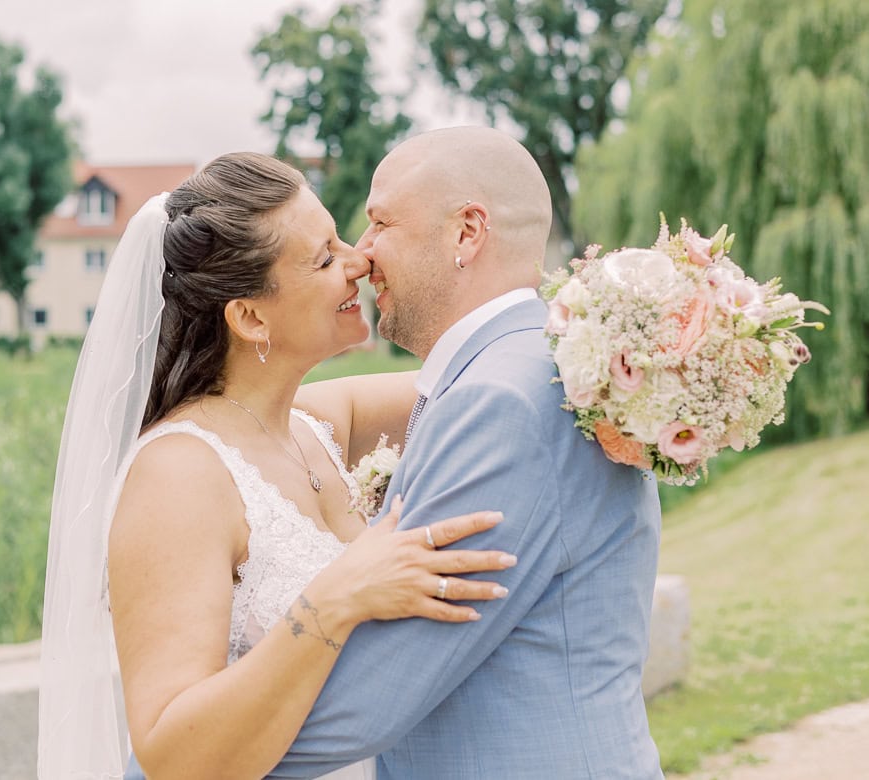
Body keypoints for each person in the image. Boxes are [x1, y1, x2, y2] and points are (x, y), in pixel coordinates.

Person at [37, 152, 516, 780]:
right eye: (324, 258)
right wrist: (337, 597)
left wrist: (626, 318)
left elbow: (487, 377)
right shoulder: (179, 474)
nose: (359, 261)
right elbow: (168, 752)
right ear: (251, 317)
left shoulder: (316, 423)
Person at [269, 126, 664, 778]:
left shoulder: (500, 402)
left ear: (466, 233)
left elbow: (379, 691)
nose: (362, 255)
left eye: (379, 222)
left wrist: (192, 759)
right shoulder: (543, 365)